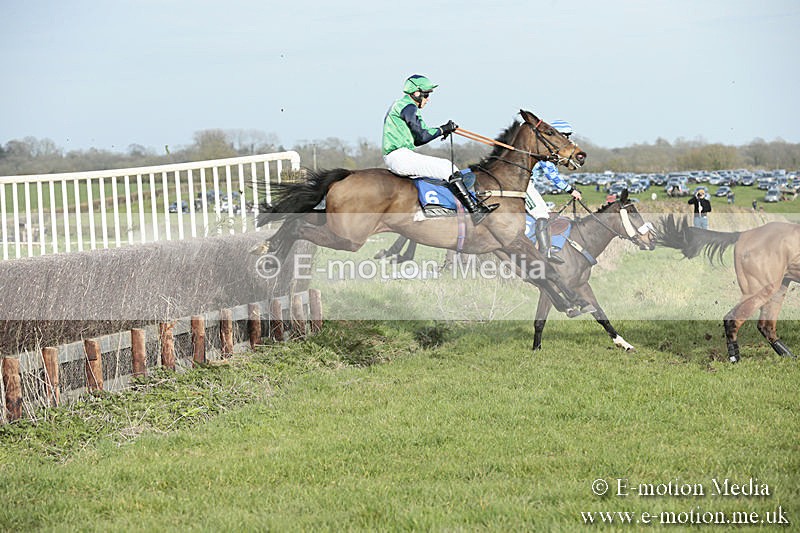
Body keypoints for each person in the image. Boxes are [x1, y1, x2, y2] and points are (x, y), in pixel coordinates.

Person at [382, 74, 497, 224]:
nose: (428, 98)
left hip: (400, 155)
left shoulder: (403, 106)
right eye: (426, 94)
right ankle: (474, 211)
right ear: (416, 93)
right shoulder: (408, 107)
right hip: (400, 156)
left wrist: (443, 130)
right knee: (446, 167)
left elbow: (417, 140)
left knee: (446, 169)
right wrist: (443, 129)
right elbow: (423, 136)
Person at [524, 119, 582, 264]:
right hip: (524, 186)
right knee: (542, 214)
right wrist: (570, 190)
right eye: (565, 136)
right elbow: (553, 175)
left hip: (527, 184)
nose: (567, 139)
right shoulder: (546, 151)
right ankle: (544, 252)